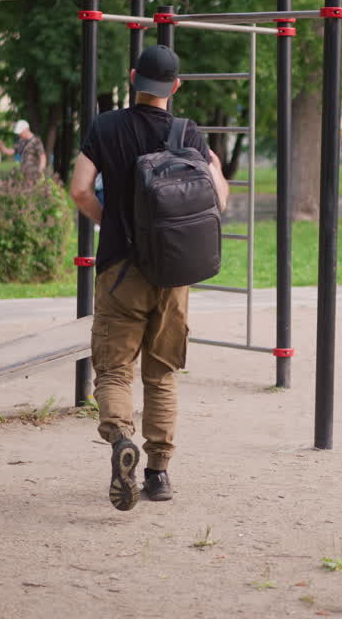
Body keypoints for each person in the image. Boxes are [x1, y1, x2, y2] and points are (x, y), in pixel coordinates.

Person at [69, 44, 228, 511]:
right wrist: (213, 163)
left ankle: (122, 441)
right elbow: (218, 200)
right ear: (175, 86)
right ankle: (159, 474)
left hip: (121, 269)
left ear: (134, 78)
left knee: (115, 368)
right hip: (174, 273)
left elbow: (80, 189)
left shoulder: (106, 126)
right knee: (162, 374)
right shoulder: (188, 133)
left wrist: (110, 222)